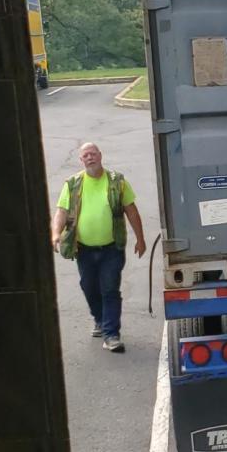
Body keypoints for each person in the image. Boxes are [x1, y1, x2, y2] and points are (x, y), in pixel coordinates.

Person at [52, 142, 146, 352]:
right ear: (81, 160)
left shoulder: (117, 182)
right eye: (85, 155)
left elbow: (131, 211)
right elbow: (61, 212)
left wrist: (140, 239)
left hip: (112, 249)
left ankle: (111, 334)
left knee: (110, 289)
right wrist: (55, 234)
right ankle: (100, 319)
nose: (90, 158)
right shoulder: (73, 183)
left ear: (100, 156)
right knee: (88, 286)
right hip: (84, 249)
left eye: (93, 154)